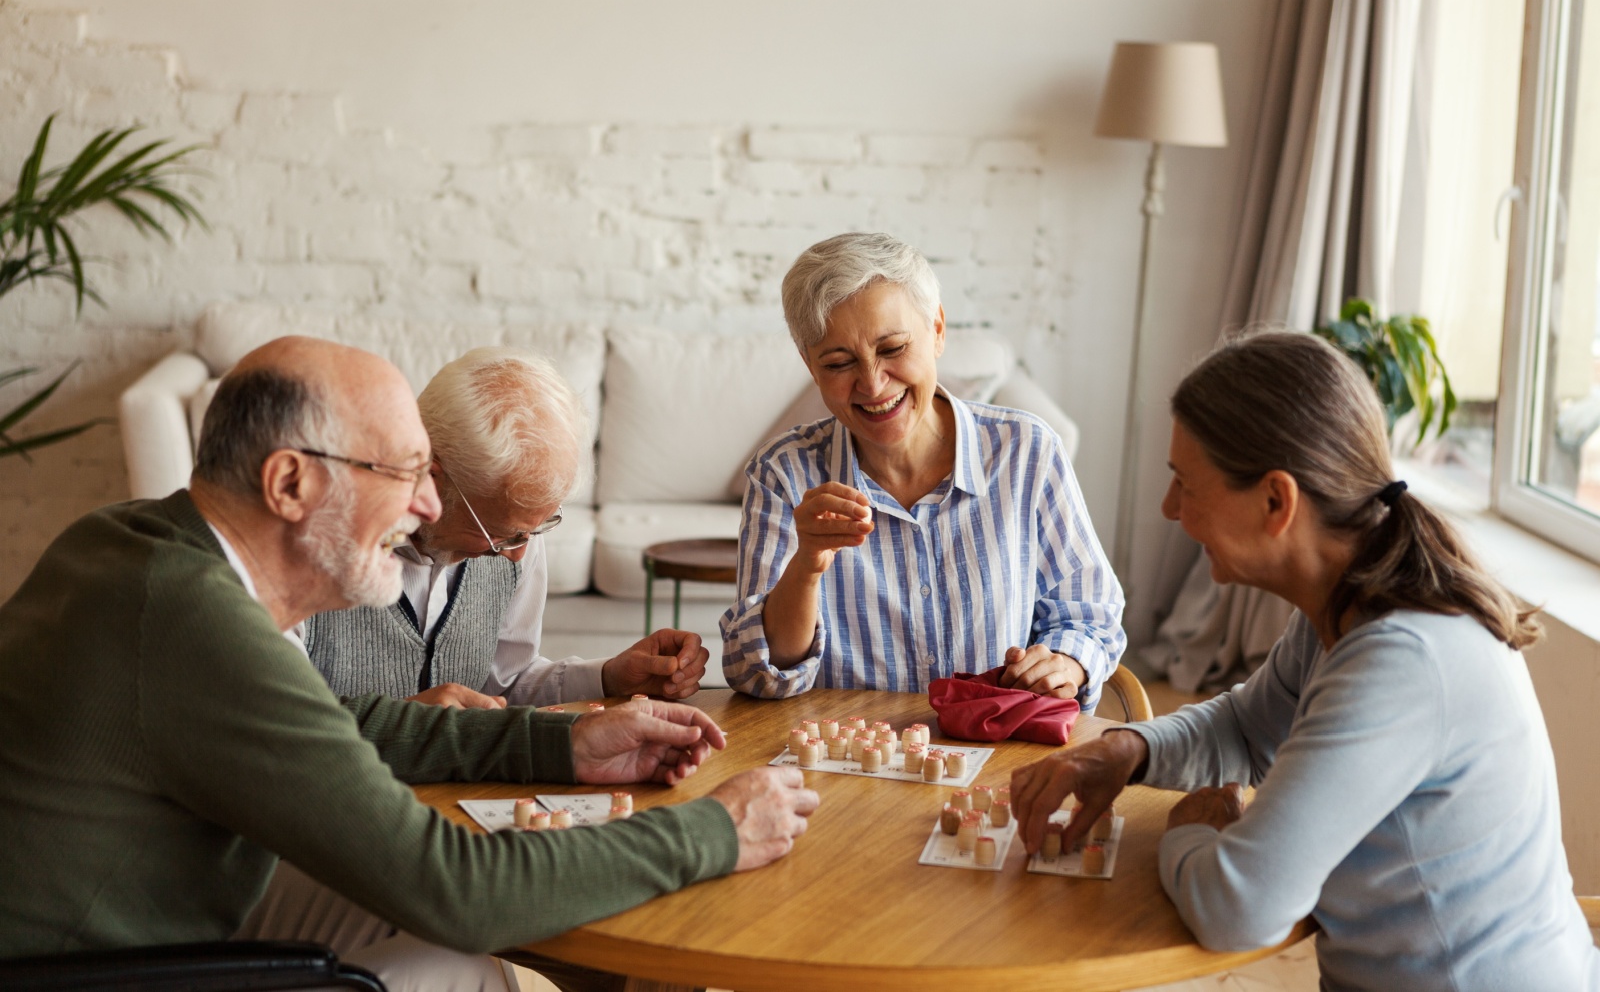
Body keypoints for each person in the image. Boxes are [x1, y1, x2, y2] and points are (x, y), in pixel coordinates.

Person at [0, 336, 818, 992]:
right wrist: (712, 829)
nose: (425, 506)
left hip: (170, 891)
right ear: (290, 482)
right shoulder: (194, 620)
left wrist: (558, 744)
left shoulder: (134, 542)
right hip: (94, 964)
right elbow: (453, 887)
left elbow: (330, 723)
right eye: (400, 474)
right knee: (457, 961)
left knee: (463, 962)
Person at [1009, 331, 1600, 991]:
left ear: (1275, 501)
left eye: (1185, 484)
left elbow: (1241, 909)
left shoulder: (1400, 660)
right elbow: (1244, 728)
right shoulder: (1347, 604)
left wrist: (1189, 831)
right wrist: (1125, 750)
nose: (1169, 509)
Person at [721, 231, 1125, 709]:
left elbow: (1089, 617)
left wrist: (1064, 662)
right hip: (846, 767)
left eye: (891, 349)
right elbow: (756, 672)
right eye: (839, 362)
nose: (872, 385)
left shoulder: (1027, 451)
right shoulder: (782, 473)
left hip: (994, 755)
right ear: (811, 367)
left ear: (937, 329)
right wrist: (807, 565)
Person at [301, 347, 706, 710]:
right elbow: (273, 726)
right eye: (500, 534)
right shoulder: (310, 546)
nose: (516, 554)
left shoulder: (519, 530)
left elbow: (506, 683)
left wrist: (609, 678)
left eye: (536, 528)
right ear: (431, 476)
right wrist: (409, 719)